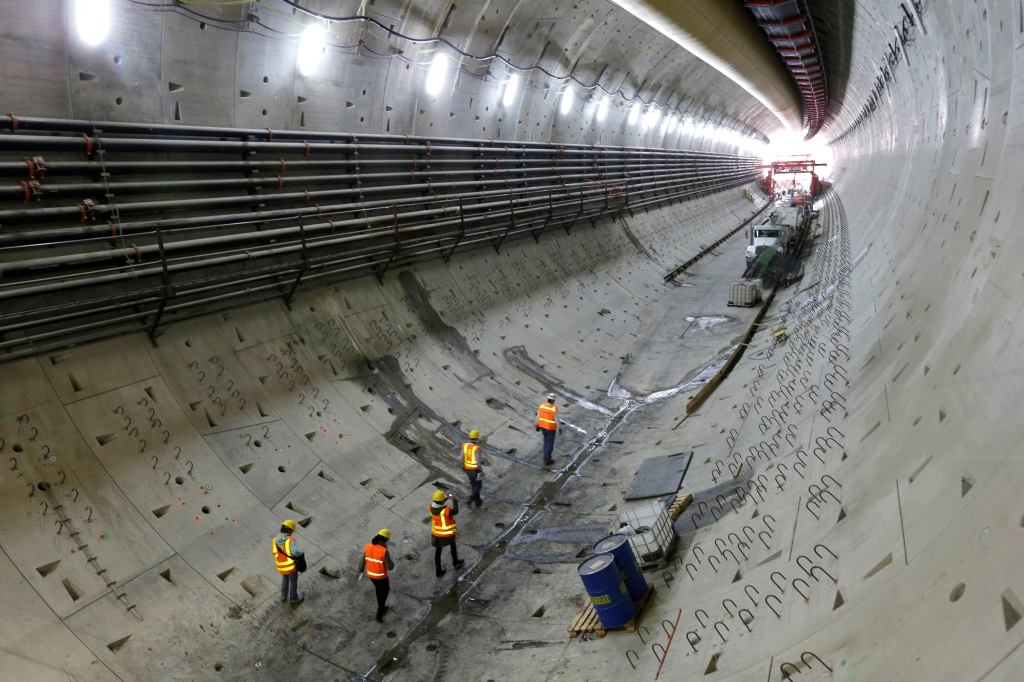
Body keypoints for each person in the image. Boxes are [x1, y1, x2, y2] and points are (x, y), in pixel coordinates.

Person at [359, 528, 395, 622]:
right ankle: (381, 609)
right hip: (381, 577)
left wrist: (361, 571)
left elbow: (362, 561)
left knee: (379, 590)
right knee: (385, 590)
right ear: (385, 540)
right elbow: (390, 567)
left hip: (371, 575)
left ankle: (381, 607)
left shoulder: (368, 546)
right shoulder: (383, 551)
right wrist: (391, 560)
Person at [429, 489, 464, 577]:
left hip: (436, 534)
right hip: (446, 534)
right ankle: (455, 562)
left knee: (438, 553)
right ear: (441, 501)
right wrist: (454, 499)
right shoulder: (446, 510)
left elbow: (439, 502)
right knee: (453, 546)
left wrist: (447, 497)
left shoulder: (430, 507)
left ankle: (438, 571)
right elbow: (455, 511)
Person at [272, 519, 305, 604]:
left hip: (280, 565)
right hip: (290, 566)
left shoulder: (274, 540)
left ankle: (283, 596)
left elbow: (274, 552)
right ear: (290, 530)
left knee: (285, 578)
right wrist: (301, 553)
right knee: (293, 582)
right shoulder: (290, 539)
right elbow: (295, 552)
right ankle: (293, 598)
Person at [536, 393, 558, 465]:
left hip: (543, 427)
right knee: (550, 443)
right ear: (553, 401)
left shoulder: (542, 406)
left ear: (548, 399)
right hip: (551, 428)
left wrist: (537, 425)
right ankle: (548, 459)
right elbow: (557, 419)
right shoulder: (554, 408)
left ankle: (545, 457)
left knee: (545, 441)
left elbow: (538, 416)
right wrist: (560, 428)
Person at [462, 429, 483, 507]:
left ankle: (478, 502)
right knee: (478, 486)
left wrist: (464, 466)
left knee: (474, 485)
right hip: (475, 470)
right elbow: (477, 462)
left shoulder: (465, 445)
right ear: (477, 438)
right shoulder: (477, 448)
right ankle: (470, 499)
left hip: (467, 469)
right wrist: (481, 471)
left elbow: (461, 458)